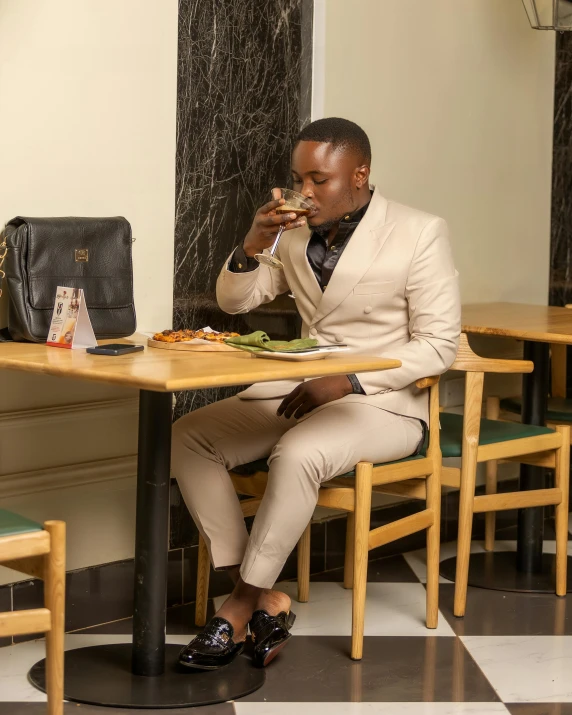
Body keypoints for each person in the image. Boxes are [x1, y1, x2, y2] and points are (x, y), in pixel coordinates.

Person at [171, 117, 461, 669]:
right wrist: (253, 245)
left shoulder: (420, 231)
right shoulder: (296, 234)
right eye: (299, 178)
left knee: (297, 453)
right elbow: (238, 302)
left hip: (383, 403)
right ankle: (262, 595)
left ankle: (236, 607)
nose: (304, 193)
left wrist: (349, 380)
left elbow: (439, 346)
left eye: (318, 180)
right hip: (304, 391)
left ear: (359, 174)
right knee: (188, 436)